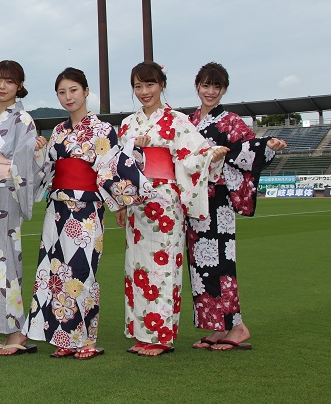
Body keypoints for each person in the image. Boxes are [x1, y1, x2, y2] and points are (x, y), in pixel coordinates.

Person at [22, 68, 156, 359]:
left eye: (73, 90)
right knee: (56, 272)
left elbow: (112, 166)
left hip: (86, 208)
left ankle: (86, 340)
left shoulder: (102, 129)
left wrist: (123, 200)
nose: (68, 97)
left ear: (85, 91)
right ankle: (65, 337)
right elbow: (47, 169)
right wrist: (39, 152)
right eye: (62, 92)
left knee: (82, 272)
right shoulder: (58, 132)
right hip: (57, 207)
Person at [116, 62, 228, 356]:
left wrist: (210, 155)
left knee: (164, 268)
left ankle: (161, 337)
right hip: (137, 202)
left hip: (165, 203)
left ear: (162, 84)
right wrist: (121, 201)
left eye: (150, 84)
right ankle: (143, 333)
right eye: (138, 86)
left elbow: (193, 155)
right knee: (137, 269)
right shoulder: (128, 124)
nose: (144, 91)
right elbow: (120, 165)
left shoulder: (177, 120)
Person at [187, 62, 286, 351]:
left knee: (221, 264)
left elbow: (247, 149)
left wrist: (268, 146)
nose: (210, 91)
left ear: (224, 90)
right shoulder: (189, 122)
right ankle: (218, 327)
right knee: (200, 267)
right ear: (197, 86)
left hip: (218, 202)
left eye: (217, 87)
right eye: (206, 85)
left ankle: (238, 326)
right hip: (195, 201)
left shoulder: (230, 121)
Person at [0, 60, 44, 356]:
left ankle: (17, 333)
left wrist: (35, 149)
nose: (2, 86)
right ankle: (7, 329)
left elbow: (29, 159)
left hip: (8, 193)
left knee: (7, 260)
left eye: (9, 81)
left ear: (19, 85)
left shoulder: (23, 119)